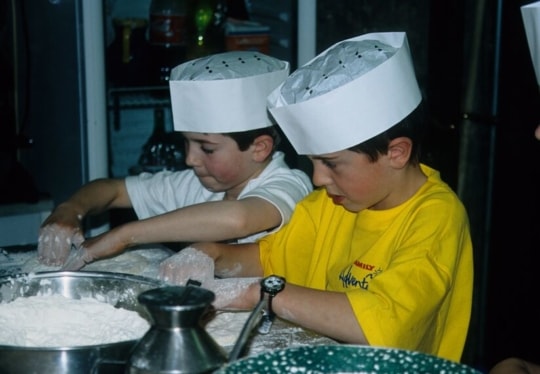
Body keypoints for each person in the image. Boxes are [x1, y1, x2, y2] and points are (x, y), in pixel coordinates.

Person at [159, 32, 474, 363]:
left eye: (332, 164)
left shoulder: (436, 217)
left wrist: (260, 294)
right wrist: (210, 254)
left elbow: (379, 323)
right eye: (313, 162)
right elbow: (273, 258)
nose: (318, 178)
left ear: (396, 153)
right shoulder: (331, 202)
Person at [37, 51, 312, 269]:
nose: (190, 158)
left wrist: (122, 236)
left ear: (259, 148)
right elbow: (112, 189)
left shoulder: (290, 184)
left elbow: (238, 218)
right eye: (186, 142)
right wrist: (71, 208)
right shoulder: (196, 185)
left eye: (207, 148)